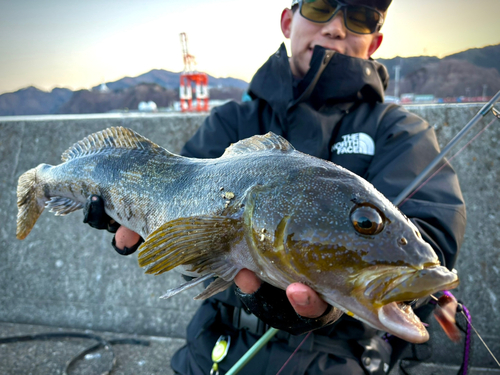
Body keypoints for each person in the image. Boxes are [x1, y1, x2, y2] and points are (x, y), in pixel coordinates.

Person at [84, 0, 466, 373]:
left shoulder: (400, 131)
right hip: (211, 349)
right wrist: (136, 217)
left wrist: (331, 305)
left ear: (376, 42)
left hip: (338, 358)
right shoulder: (232, 120)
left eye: (361, 17)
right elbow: (176, 205)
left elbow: (431, 233)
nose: (336, 27)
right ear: (287, 22)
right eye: (319, 8)